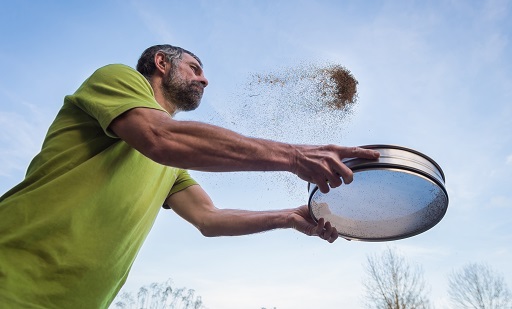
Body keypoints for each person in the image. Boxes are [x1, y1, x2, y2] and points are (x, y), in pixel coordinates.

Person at [0, 44, 379, 308]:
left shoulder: (170, 163)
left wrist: (288, 217)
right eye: (195, 69)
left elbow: (209, 219)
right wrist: (294, 156)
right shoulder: (119, 80)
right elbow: (158, 136)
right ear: (161, 63)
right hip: (11, 275)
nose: (205, 80)